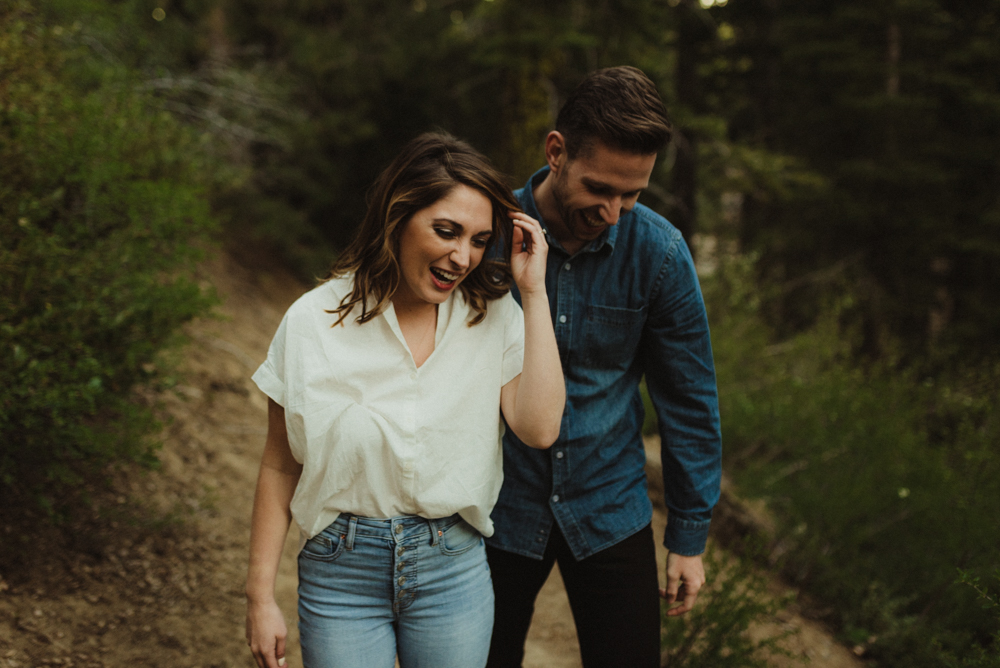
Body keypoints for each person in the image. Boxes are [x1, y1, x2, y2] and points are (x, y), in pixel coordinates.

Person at [244, 132, 565, 668]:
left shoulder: (495, 318)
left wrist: (533, 293)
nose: (462, 256)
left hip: (453, 573)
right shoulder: (312, 322)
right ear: (397, 217)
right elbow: (280, 465)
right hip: (340, 576)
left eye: (481, 240)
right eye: (446, 231)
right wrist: (259, 598)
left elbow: (539, 429)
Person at [485, 66, 723, 668]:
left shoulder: (662, 254)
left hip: (609, 505)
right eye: (600, 189)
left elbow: (689, 399)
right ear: (556, 152)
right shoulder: (482, 233)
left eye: (633, 194)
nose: (614, 212)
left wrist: (688, 538)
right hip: (492, 507)